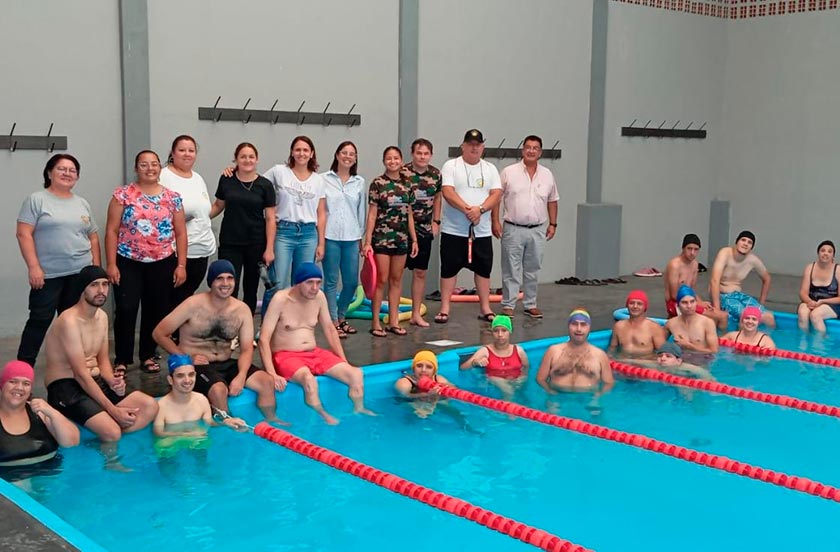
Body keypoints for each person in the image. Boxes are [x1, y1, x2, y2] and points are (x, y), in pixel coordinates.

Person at [152, 260, 283, 424]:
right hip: (197, 365)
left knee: (266, 382)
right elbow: (159, 333)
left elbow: (247, 349)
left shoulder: (241, 310)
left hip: (226, 362)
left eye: (230, 278)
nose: (225, 283)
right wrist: (186, 358)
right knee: (219, 390)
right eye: (219, 278)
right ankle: (227, 430)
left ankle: (271, 422)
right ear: (211, 282)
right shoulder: (192, 305)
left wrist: (241, 376)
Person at [44, 266, 158, 444]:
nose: (101, 290)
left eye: (105, 285)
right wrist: (113, 410)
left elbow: (103, 361)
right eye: (94, 285)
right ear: (82, 289)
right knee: (112, 433)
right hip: (66, 387)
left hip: (94, 381)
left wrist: (112, 381)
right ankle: (98, 427)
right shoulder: (69, 321)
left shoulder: (102, 317)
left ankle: (100, 423)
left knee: (150, 406)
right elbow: (80, 374)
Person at [259, 262, 374, 425]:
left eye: (318, 283)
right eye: (309, 283)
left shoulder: (319, 297)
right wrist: (272, 373)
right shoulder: (280, 300)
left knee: (356, 374)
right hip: (286, 356)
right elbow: (264, 338)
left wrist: (343, 360)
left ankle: (358, 410)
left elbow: (330, 329)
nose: (315, 287)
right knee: (308, 379)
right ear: (298, 282)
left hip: (314, 353)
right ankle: (322, 415)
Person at [105, 150, 187, 374]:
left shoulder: (172, 197)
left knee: (156, 309)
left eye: (154, 164)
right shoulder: (123, 195)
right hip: (128, 260)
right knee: (126, 308)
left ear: (160, 167)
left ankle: (148, 355)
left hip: (162, 261)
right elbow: (111, 230)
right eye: (144, 165)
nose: (150, 168)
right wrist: (111, 264)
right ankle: (122, 358)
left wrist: (181, 265)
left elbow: (180, 233)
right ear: (136, 168)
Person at [16, 154, 101, 368]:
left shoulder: (82, 203)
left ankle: (76, 372)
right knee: (39, 322)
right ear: (49, 173)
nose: (67, 173)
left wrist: (96, 271)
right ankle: (22, 372)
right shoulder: (37, 200)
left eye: (72, 170)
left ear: (77, 176)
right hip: (47, 276)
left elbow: (92, 236)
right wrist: (34, 267)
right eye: (62, 169)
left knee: (74, 324)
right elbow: (23, 234)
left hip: (79, 275)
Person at [436, 129, 503, 324]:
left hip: (481, 232)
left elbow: (496, 194)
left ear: (483, 147)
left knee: (483, 270)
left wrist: (480, 210)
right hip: (453, 230)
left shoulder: (490, 168)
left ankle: (485, 308)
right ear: (463, 146)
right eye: (470, 144)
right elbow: (448, 192)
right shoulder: (451, 166)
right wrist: (468, 210)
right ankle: (444, 308)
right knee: (449, 269)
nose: (474, 147)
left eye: (478, 144)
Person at [491, 135, 559, 319]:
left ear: (540, 152)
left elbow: (552, 200)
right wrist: (495, 221)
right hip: (512, 228)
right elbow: (496, 198)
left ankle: (530, 304)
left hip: (537, 229)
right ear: (522, 150)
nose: (531, 151)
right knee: (510, 269)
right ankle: (508, 305)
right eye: (528, 147)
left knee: (533, 268)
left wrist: (553, 223)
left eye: (535, 148)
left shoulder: (547, 175)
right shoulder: (508, 172)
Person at [210, 142, 276, 314]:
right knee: (229, 286)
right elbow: (218, 206)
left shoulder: (265, 185)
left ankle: (246, 331)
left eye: (251, 156)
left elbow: (270, 218)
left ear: (257, 159)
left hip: (256, 244)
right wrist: (197, 219)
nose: (247, 160)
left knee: (251, 287)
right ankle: (229, 330)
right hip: (230, 243)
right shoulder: (226, 179)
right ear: (236, 159)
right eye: (243, 156)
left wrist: (269, 249)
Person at [363, 146, 418, 337]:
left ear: (401, 160)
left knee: (396, 280)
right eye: (389, 158)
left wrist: (414, 239)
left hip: (401, 240)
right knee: (382, 280)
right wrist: (368, 240)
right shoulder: (377, 183)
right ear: (384, 161)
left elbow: (410, 213)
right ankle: (376, 322)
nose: (392, 161)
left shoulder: (407, 184)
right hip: (382, 239)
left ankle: (394, 321)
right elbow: (372, 214)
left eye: (396, 158)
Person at [261, 136, 327, 290]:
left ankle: (297, 315)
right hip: (283, 232)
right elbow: (257, 183)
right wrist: (235, 170)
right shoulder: (279, 171)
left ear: (311, 154)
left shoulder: (318, 180)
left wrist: (321, 244)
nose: (301, 153)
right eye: (298, 149)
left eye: (305, 150)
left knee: (303, 282)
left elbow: (322, 213)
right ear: (292, 152)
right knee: (276, 282)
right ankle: (273, 314)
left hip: (309, 234)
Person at [159, 135, 216, 305]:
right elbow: (154, 213)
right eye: (182, 150)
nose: (187, 154)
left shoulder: (197, 178)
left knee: (186, 298)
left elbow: (205, 211)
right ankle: (168, 332)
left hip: (202, 249)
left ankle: (181, 333)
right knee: (171, 299)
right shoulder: (163, 176)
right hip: (178, 252)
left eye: (191, 150)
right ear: (173, 153)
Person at [321, 141, 366, 337]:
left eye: (352, 154)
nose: (348, 156)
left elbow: (361, 211)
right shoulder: (323, 179)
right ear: (337, 155)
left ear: (355, 158)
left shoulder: (359, 182)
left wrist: (361, 238)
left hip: (351, 237)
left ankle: (341, 315)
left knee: (350, 282)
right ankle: (332, 321)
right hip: (330, 236)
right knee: (331, 281)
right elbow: (320, 210)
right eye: (344, 153)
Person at [0, 360, 79, 467]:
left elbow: (71, 443)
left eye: (26, 383)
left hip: (51, 476)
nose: (19, 388)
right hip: (10, 479)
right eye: (13, 381)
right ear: (2, 385)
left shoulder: (41, 413)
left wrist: (52, 413)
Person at [153, 354, 246, 438]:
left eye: (191, 375)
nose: (187, 380)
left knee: (203, 441)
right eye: (180, 376)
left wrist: (226, 422)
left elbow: (210, 423)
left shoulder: (201, 400)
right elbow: (159, 433)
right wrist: (186, 435)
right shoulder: (162, 406)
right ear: (170, 380)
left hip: (196, 442)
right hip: (172, 444)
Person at [401, 138, 442, 327]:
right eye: (419, 153)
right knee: (395, 273)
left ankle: (416, 314)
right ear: (412, 154)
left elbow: (438, 197)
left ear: (430, 155)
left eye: (426, 153)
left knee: (420, 273)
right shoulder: (402, 173)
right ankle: (393, 314)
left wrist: (436, 221)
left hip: (424, 229)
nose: (422, 157)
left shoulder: (435, 174)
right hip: (401, 229)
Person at [536, 309, 614, 392]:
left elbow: (608, 383)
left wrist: (596, 399)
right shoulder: (553, 351)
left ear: (589, 328)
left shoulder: (600, 355)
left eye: (583, 324)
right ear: (568, 326)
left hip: (587, 400)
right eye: (574, 324)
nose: (579, 329)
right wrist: (550, 393)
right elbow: (540, 379)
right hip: (558, 398)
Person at [710, 230, 775, 327]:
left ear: (751, 247)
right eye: (743, 240)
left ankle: (767, 340)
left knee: (769, 317)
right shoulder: (725, 253)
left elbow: (767, 278)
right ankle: (740, 340)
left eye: (749, 242)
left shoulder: (752, 260)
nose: (745, 244)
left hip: (739, 296)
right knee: (747, 316)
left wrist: (761, 304)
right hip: (724, 296)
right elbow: (714, 280)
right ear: (737, 242)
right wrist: (717, 308)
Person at [664, 233, 728, 330]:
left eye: (696, 249)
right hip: (676, 303)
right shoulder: (675, 265)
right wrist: (697, 304)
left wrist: (701, 302)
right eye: (689, 248)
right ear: (683, 248)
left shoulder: (695, 264)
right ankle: (715, 341)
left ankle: (715, 340)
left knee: (722, 315)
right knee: (721, 316)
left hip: (689, 301)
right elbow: (674, 295)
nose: (692, 252)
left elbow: (692, 289)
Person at [460, 315, 529, 401]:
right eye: (496, 331)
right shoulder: (485, 351)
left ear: (510, 332)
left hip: (515, 380)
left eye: (504, 330)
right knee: (508, 391)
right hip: (494, 379)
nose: (500, 335)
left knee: (517, 393)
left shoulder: (519, 351)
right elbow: (463, 368)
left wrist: (521, 379)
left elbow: (526, 368)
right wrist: (475, 362)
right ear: (492, 333)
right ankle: (508, 412)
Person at [797, 240, 840, 333]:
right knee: (802, 312)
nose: (825, 253)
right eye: (823, 250)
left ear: (833, 256)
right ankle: (803, 343)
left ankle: (819, 345)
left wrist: (822, 301)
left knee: (815, 315)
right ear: (818, 253)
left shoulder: (838, 270)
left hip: (831, 304)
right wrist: (809, 301)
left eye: (829, 251)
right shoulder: (810, 268)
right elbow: (803, 293)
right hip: (812, 301)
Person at [395, 350, 453, 418]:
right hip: (412, 404)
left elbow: (452, 389)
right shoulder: (405, 383)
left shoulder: (438, 379)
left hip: (435, 402)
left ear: (434, 371)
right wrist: (426, 395)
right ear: (413, 368)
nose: (423, 370)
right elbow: (404, 397)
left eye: (429, 367)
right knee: (422, 413)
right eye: (419, 366)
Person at [608, 290, 666, 357]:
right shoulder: (618, 326)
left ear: (645, 307)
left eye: (639, 304)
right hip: (623, 363)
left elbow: (663, 354)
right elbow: (612, 350)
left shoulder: (654, 328)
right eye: (632, 303)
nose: (635, 306)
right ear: (627, 306)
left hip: (646, 364)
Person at [664, 285, 719, 354]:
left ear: (696, 303)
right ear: (677, 305)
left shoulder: (707, 323)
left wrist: (689, 346)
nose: (689, 306)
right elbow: (660, 347)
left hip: (702, 361)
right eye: (684, 302)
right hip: (680, 361)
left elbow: (714, 351)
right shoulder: (670, 324)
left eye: (692, 301)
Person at [624, 342, 714, 381]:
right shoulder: (656, 365)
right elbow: (638, 362)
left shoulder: (688, 368)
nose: (663, 358)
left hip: (686, 379)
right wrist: (617, 360)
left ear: (678, 361)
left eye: (668, 356)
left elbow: (706, 376)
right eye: (660, 356)